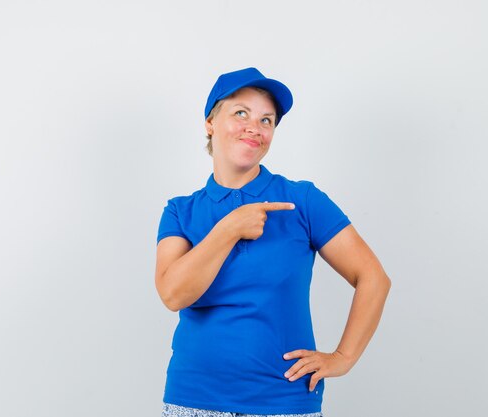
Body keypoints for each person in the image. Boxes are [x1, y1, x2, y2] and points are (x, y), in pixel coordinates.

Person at [155, 67, 391, 417]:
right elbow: (174, 294)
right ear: (210, 123)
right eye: (241, 113)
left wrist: (343, 357)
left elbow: (373, 278)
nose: (255, 127)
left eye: (267, 120)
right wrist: (229, 229)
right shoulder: (180, 211)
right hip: (193, 400)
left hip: (284, 402)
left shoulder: (302, 200)